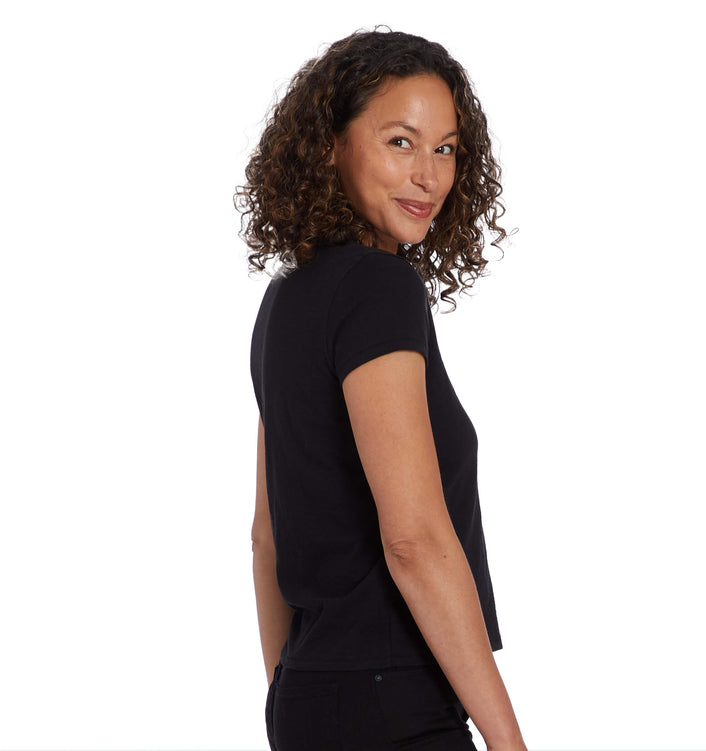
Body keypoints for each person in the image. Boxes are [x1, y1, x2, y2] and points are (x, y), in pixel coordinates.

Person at [234, 28, 528, 751]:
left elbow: (266, 537)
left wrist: (287, 693)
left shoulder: (286, 300)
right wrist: (509, 742)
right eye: (401, 142)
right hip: (396, 704)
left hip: (311, 697)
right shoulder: (378, 288)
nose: (428, 176)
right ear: (329, 146)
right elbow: (414, 540)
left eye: (445, 149)